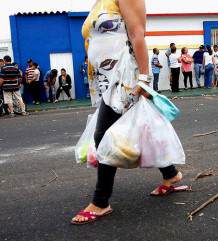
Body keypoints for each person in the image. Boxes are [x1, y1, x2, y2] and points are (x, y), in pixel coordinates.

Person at [73, 0, 185, 225]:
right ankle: (171, 174)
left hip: (125, 76)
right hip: (106, 79)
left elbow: (137, 34)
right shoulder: (99, 2)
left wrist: (143, 78)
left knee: (103, 134)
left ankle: (101, 202)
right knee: (144, 127)